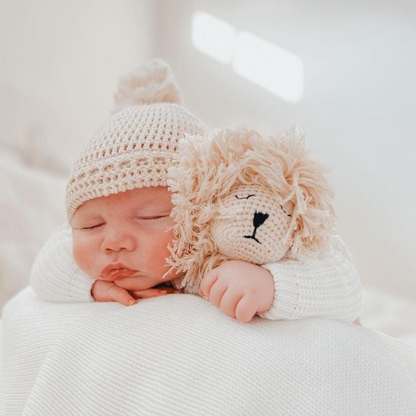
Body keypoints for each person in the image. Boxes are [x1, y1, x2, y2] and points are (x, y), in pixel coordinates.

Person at [30, 59, 363, 324]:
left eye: (149, 216)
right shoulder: (97, 260)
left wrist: (270, 284)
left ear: (199, 211)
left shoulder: (232, 239)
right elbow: (46, 266)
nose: (112, 241)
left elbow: (343, 283)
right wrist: (91, 286)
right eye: (91, 225)